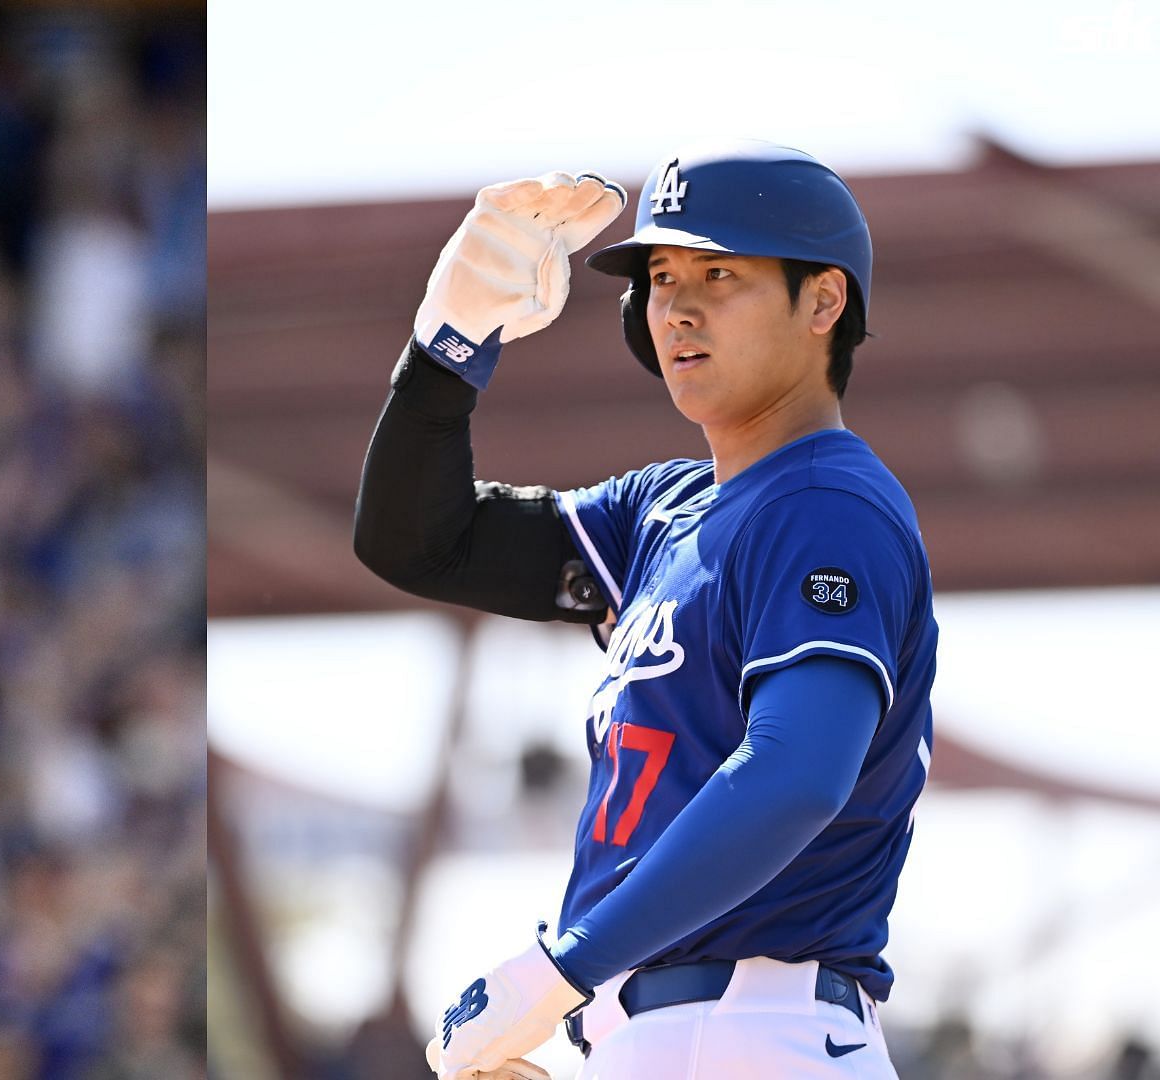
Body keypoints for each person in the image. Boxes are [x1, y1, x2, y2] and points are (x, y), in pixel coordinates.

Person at [354, 141, 937, 1079]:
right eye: (661, 277)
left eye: (721, 273)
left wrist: (560, 972)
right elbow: (422, 541)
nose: (678, 306)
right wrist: (447, 344)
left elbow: (797, 772)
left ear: (823, 301)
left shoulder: (826, 502)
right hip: (671, 1033)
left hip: (761, 1030)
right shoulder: (667, 511)